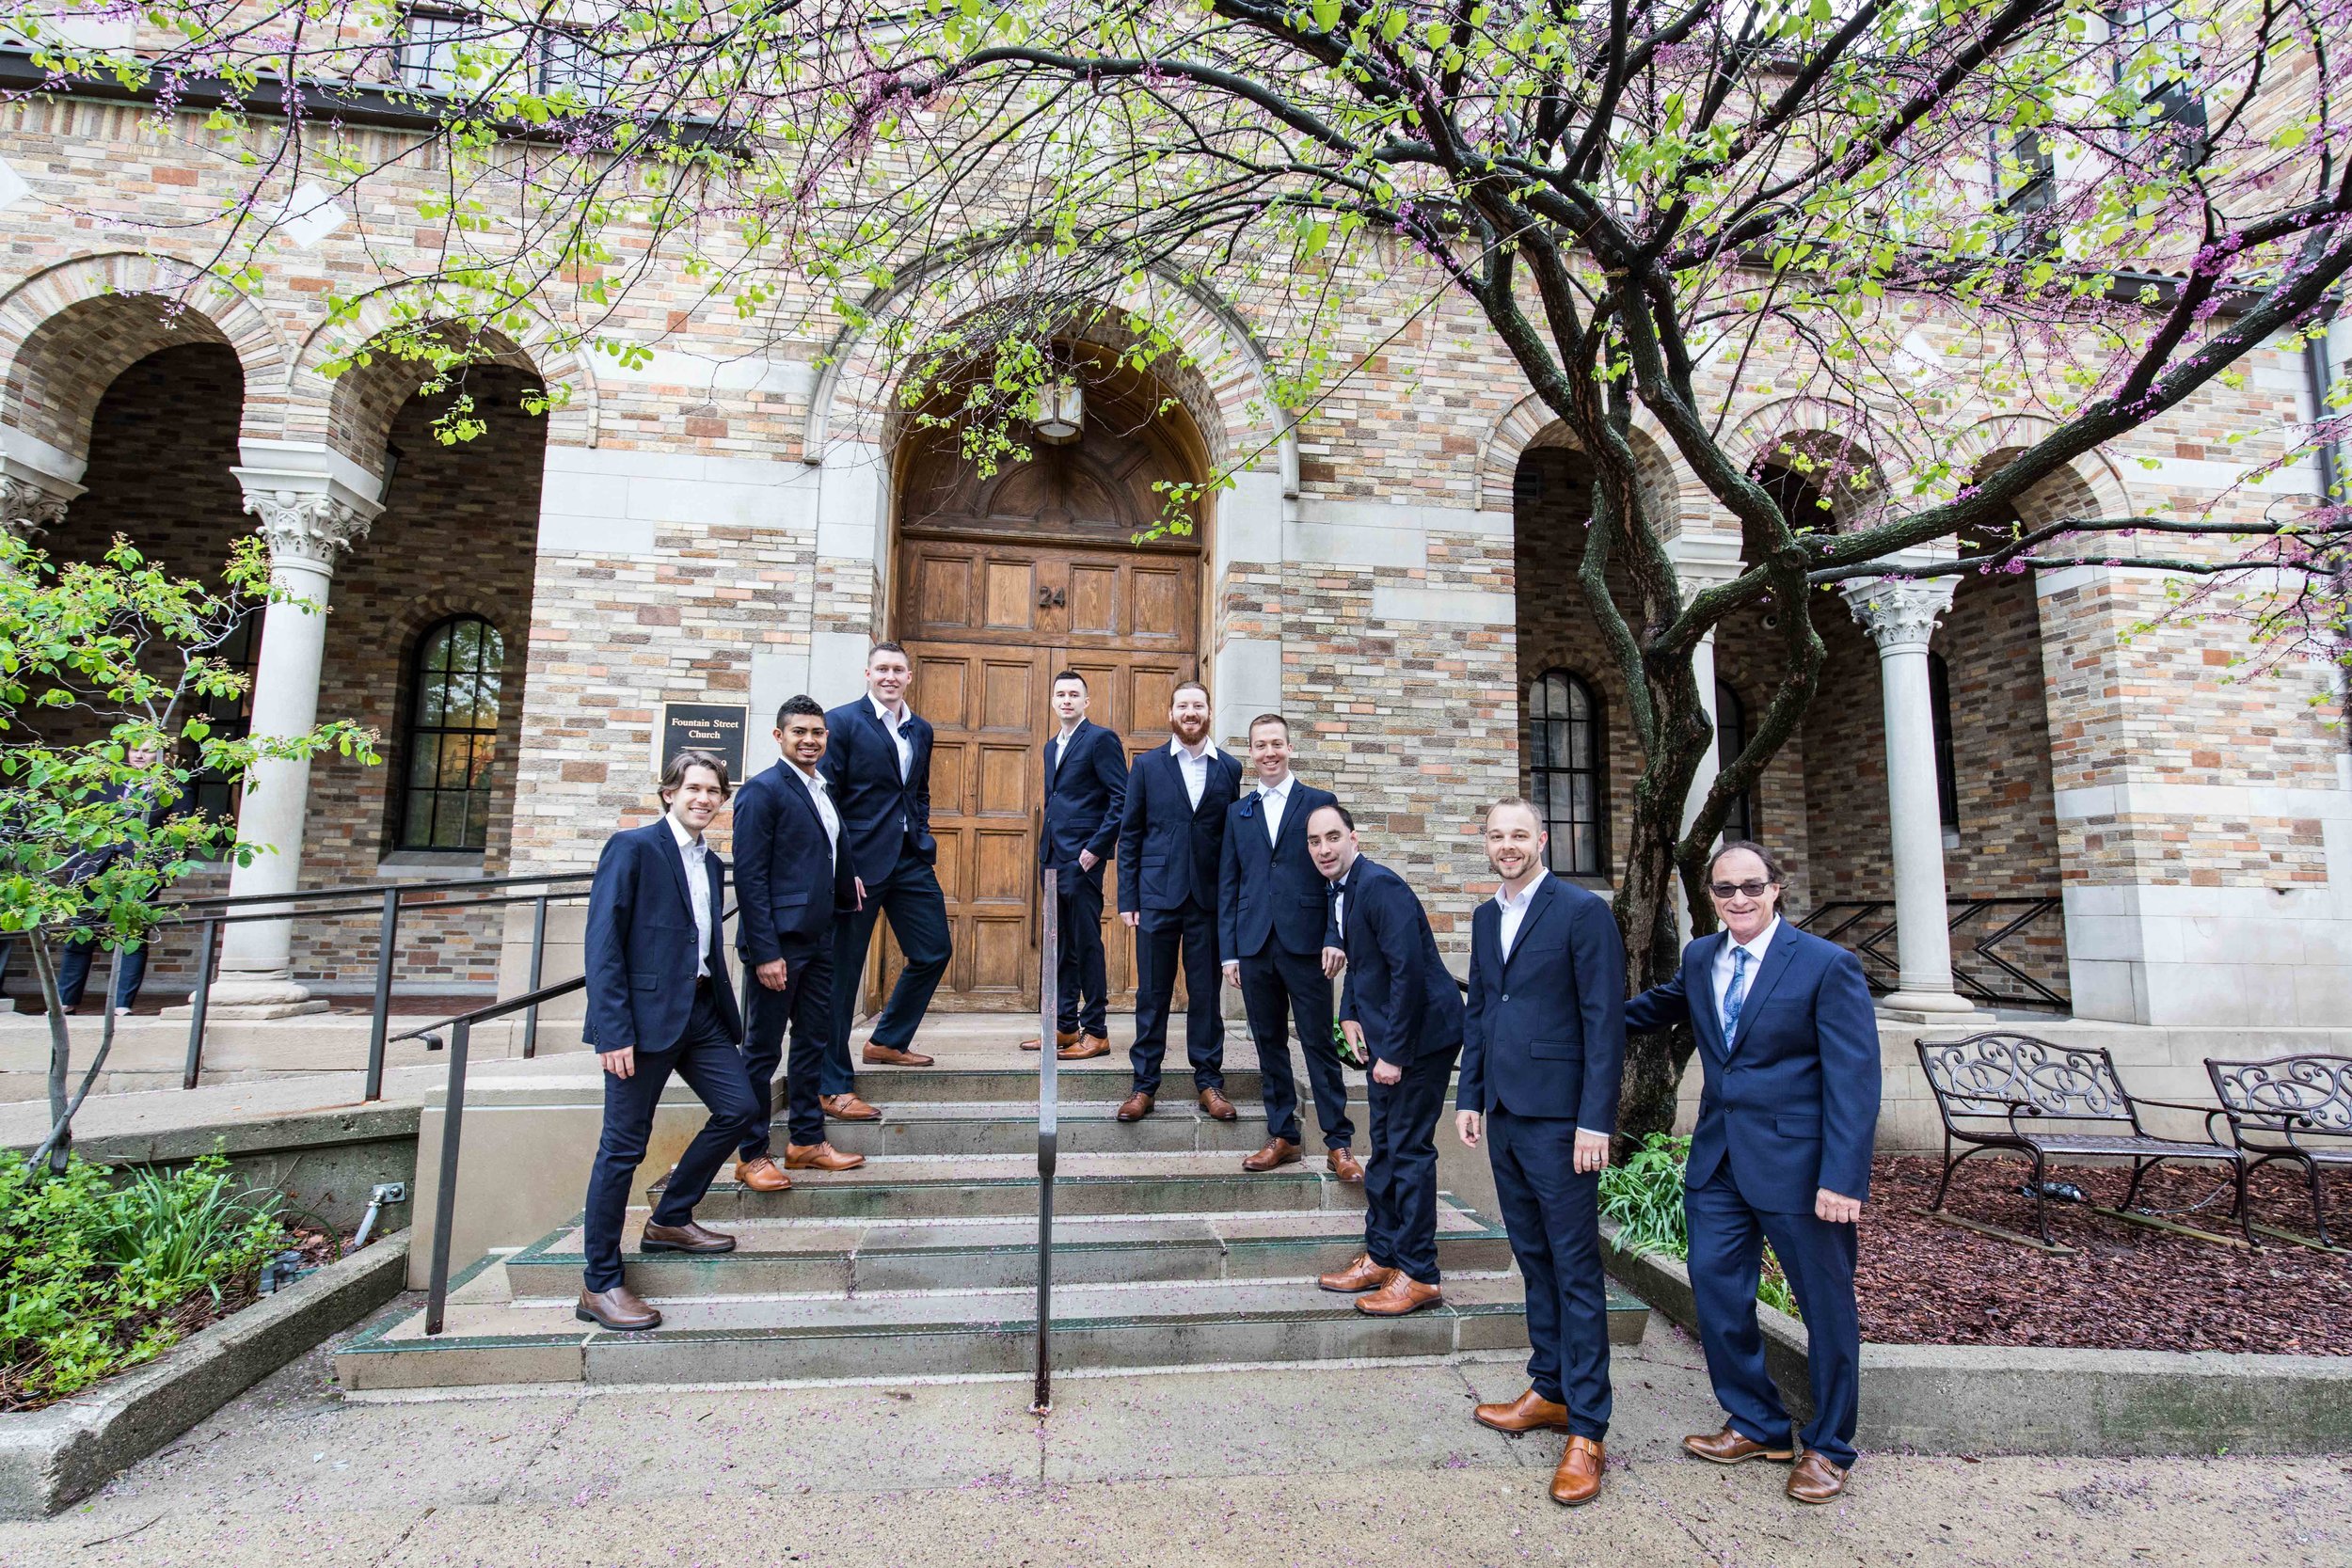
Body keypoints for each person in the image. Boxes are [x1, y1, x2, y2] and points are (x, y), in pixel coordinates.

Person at [1625, 840, 1881, 1505]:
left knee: (1826, 1309)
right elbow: (1648, 1010)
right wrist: (1556, 1013)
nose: (1738, 898)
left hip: (1801, 1170)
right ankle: (1759, 1422)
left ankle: (1829, 1445)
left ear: (1776, 888)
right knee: (1716, 1293)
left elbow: (1855, 1082)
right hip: (1718, 1163)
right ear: (1709, 896)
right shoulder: (1702, 956)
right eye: (1724, 889)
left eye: (1750, 886)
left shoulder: (1828, 966)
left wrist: (1843, 1178)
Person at [1455, 798, 1625, 1508]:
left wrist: (1596, 1120)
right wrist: (1470, 1092)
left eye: (1519, 834)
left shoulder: (1582, 912)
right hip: (1504, 1115)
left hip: (1564, 1122)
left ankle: (1588, 1428)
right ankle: (1549, 1387)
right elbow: (1481, 1010)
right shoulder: (1487, 915)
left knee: (1576, 1268)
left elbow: (1603, 1018)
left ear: (1543, 838)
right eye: (1497, 835)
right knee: (1533, 1258)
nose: (1507, 845)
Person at [576, 752, 762, 1333]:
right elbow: (602, 943)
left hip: (701, 1014)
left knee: (741, 1108)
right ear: (668, 793)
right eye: (694, 789)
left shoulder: (710, 862)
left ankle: (671, 1217)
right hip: (641, 1021)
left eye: (714, 791)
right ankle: (599, 1283)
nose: (704, 799)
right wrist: (612, 1030)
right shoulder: (632, 849)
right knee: (623, 1149)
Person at [1308, 802, 1463, 1316]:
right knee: (1386, 1149)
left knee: (1409, 1151)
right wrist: (1350, 1013)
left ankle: (1419, 1274)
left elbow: (1409, 973)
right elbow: (1361, 960)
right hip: (1386, 1038)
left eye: (1333, 837)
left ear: (1356, 838)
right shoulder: (1345, 889)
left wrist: (1394, 1053)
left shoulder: (1381, 887)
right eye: (1315, 842)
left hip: (1421, 1039)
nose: (1324, 849)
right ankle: (1382, 1255)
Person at [731, 696, 866, 1191]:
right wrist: (765, 952)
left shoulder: (820, 789)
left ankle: (807, 1140)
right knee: (762, 1053)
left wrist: (847, 885)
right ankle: (751, 1154)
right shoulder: (763, 792)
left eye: (818, 733)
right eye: (799, 732)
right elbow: (749, 876)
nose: (810, 740)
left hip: (821, 938)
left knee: (812, 1042)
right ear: (779, 737)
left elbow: (827, 851)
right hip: (779, 946)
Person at [1217, 715, 1358, 1179]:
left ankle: (1339, 1144)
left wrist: (1335, 936)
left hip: (1308, 947)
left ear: (1290, 748)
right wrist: (1230, 951)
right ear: (1251, 752)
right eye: (1260, 746)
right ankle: (1284, 1137)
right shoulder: (1238, 812)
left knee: (1318, 1043)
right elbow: (1230, 883)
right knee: (1269, 1044)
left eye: (1276, 744)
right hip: (1255, 945)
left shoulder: (1319, 803)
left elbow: (1338, 875)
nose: (1269, 753)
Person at [823, 642, 950, 1119]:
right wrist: (843, 867)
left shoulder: (921, 729)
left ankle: (888, 1040)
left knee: (934, 949)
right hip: (857, 866)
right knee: (842, 975)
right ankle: (831, 1083)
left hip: (908, 859)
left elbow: (918, 790)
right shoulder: (843, 722)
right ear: (868, 674)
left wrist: (922, 831)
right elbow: (829, 798)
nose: (890, 677)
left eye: (898, 670)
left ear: (910, 676)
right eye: (882, 669)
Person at [1114, 679, 1243, 1124]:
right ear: (1171, 713)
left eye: (1199, 705)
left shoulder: (1229, 768)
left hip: (1206, 900)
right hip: (1156, 898)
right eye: (1183, 705)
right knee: (1152, 994)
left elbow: (1231, 841)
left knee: (1206, 996)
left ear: (1209, 712)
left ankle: (1209, 1082)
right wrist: (1127, 895)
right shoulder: (1147, 766)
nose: (1191, 712)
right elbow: (1130, 834)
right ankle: (1143, 1086)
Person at [1018, 671, 1126, 1062]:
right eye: (1060, 694)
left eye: (1074, 694)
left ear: (1086, 701)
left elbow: (1121, 798)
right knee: (1058, 945)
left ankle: (1096, 1031)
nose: (1066, 700)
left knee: (1085, 943)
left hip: (1082, 859)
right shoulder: (1051, 746)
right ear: (1052, 701)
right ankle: (1064, 1026)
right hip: (1052, 856)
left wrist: (1095, 848)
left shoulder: (1100, 740)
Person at [55, 744, 170, 1015]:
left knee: (132, 935)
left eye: (148, 750)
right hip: (94, 871)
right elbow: (84, 828)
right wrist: (75, 869)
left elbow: (179, 834)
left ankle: (122, 1005)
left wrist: (160, 872)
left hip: (138, 874)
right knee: (80, 934)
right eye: (134, 749)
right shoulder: (106, 787)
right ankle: (66, 1000)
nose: (139, 755)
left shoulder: (172, 790)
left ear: (162, 755)